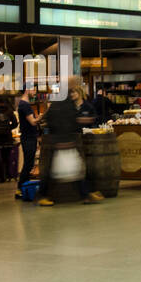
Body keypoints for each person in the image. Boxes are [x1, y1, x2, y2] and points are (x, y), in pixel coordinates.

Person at [38, 77, 103, 206]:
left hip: (63, 141)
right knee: (56, 171)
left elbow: (61, 119)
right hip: (62, 141)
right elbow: (60, 120)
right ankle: (44, 195)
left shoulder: (63, 101)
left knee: (73, 170)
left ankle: (85, 194)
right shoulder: (62, 102)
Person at [16, 86, 42, 196]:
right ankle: (20, 189)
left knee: (29, 163)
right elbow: (33, 122)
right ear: (27, 90)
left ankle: (23, 188)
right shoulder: (25, 105)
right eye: (34, 89)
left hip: (29, 137)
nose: (35, 92)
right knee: (28, 164)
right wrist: (42, 116)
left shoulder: (24, 104)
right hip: (28, 138)